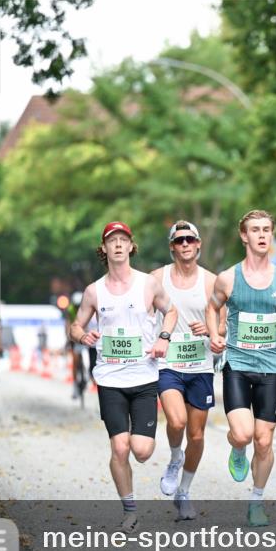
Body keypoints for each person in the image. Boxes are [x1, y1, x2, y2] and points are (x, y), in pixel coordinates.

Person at [68, 221, 177, 533]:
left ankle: (143, 457)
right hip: (110, 379)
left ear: (131, 246)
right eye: (111, 240)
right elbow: (75, 326)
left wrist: (164, 338)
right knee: (119, 448)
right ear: (103, 249)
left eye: (123, 240)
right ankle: (129, 510)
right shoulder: (94, 291)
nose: (117, 244)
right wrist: (82, 336)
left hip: (144, 377)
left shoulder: (148, 285)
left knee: (141, 451)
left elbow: (171, 311)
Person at [207, 210, 276, 527]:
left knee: (264, 441)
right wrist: (214, 335)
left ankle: (257, 501)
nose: (262, 235)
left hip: (272, 368)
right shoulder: (228, 278)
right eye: (255, 230)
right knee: (243, 433)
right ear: (244, 236)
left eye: (266, 230)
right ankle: (238, 450)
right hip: (237, 363)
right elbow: (212, 306)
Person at [150, 221, 223, 521]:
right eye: (179, 240)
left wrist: (211, 329)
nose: (184, 245)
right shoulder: (156, 278)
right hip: (168, 364)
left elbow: (225, 323)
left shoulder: (211, 282)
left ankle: (184, 492)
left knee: (196, 434)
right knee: (177, 422)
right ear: (172, 247)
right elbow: (139, 309)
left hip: (200, 366)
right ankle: (174, 458)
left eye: (189, 239)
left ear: (199, 244)